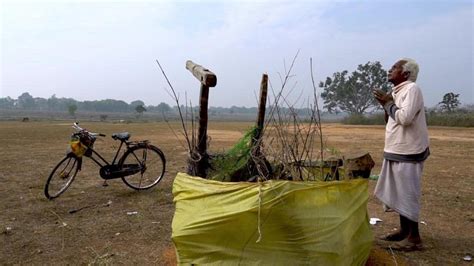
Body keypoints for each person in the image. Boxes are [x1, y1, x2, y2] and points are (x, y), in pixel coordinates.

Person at [372, 58, 430, 251]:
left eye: (395, 67)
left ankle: (414, 238)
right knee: (399, 192)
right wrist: (386, 104)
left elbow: (404, 119)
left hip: (409, 150)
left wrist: (388, 103)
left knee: (407, 193)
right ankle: (404, 231)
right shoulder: (398, 91)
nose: (390, 70)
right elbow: (391, 120)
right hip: (396, 149)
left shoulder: (412, 89)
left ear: (405, 74)